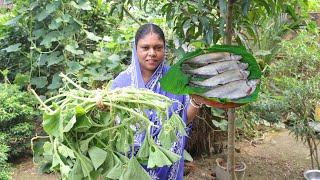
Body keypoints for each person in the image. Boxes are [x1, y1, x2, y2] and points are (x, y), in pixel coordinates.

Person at [111, 23, 201, 180]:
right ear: (135, 49)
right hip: (132, 162)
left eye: (158, 48)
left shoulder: (175, 79)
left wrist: (197, 101)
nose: (152, 53)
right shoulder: (122, 82)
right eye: (145, 48)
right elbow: (114, 125)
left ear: (164, 49)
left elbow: (183, 119)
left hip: (166, 162)